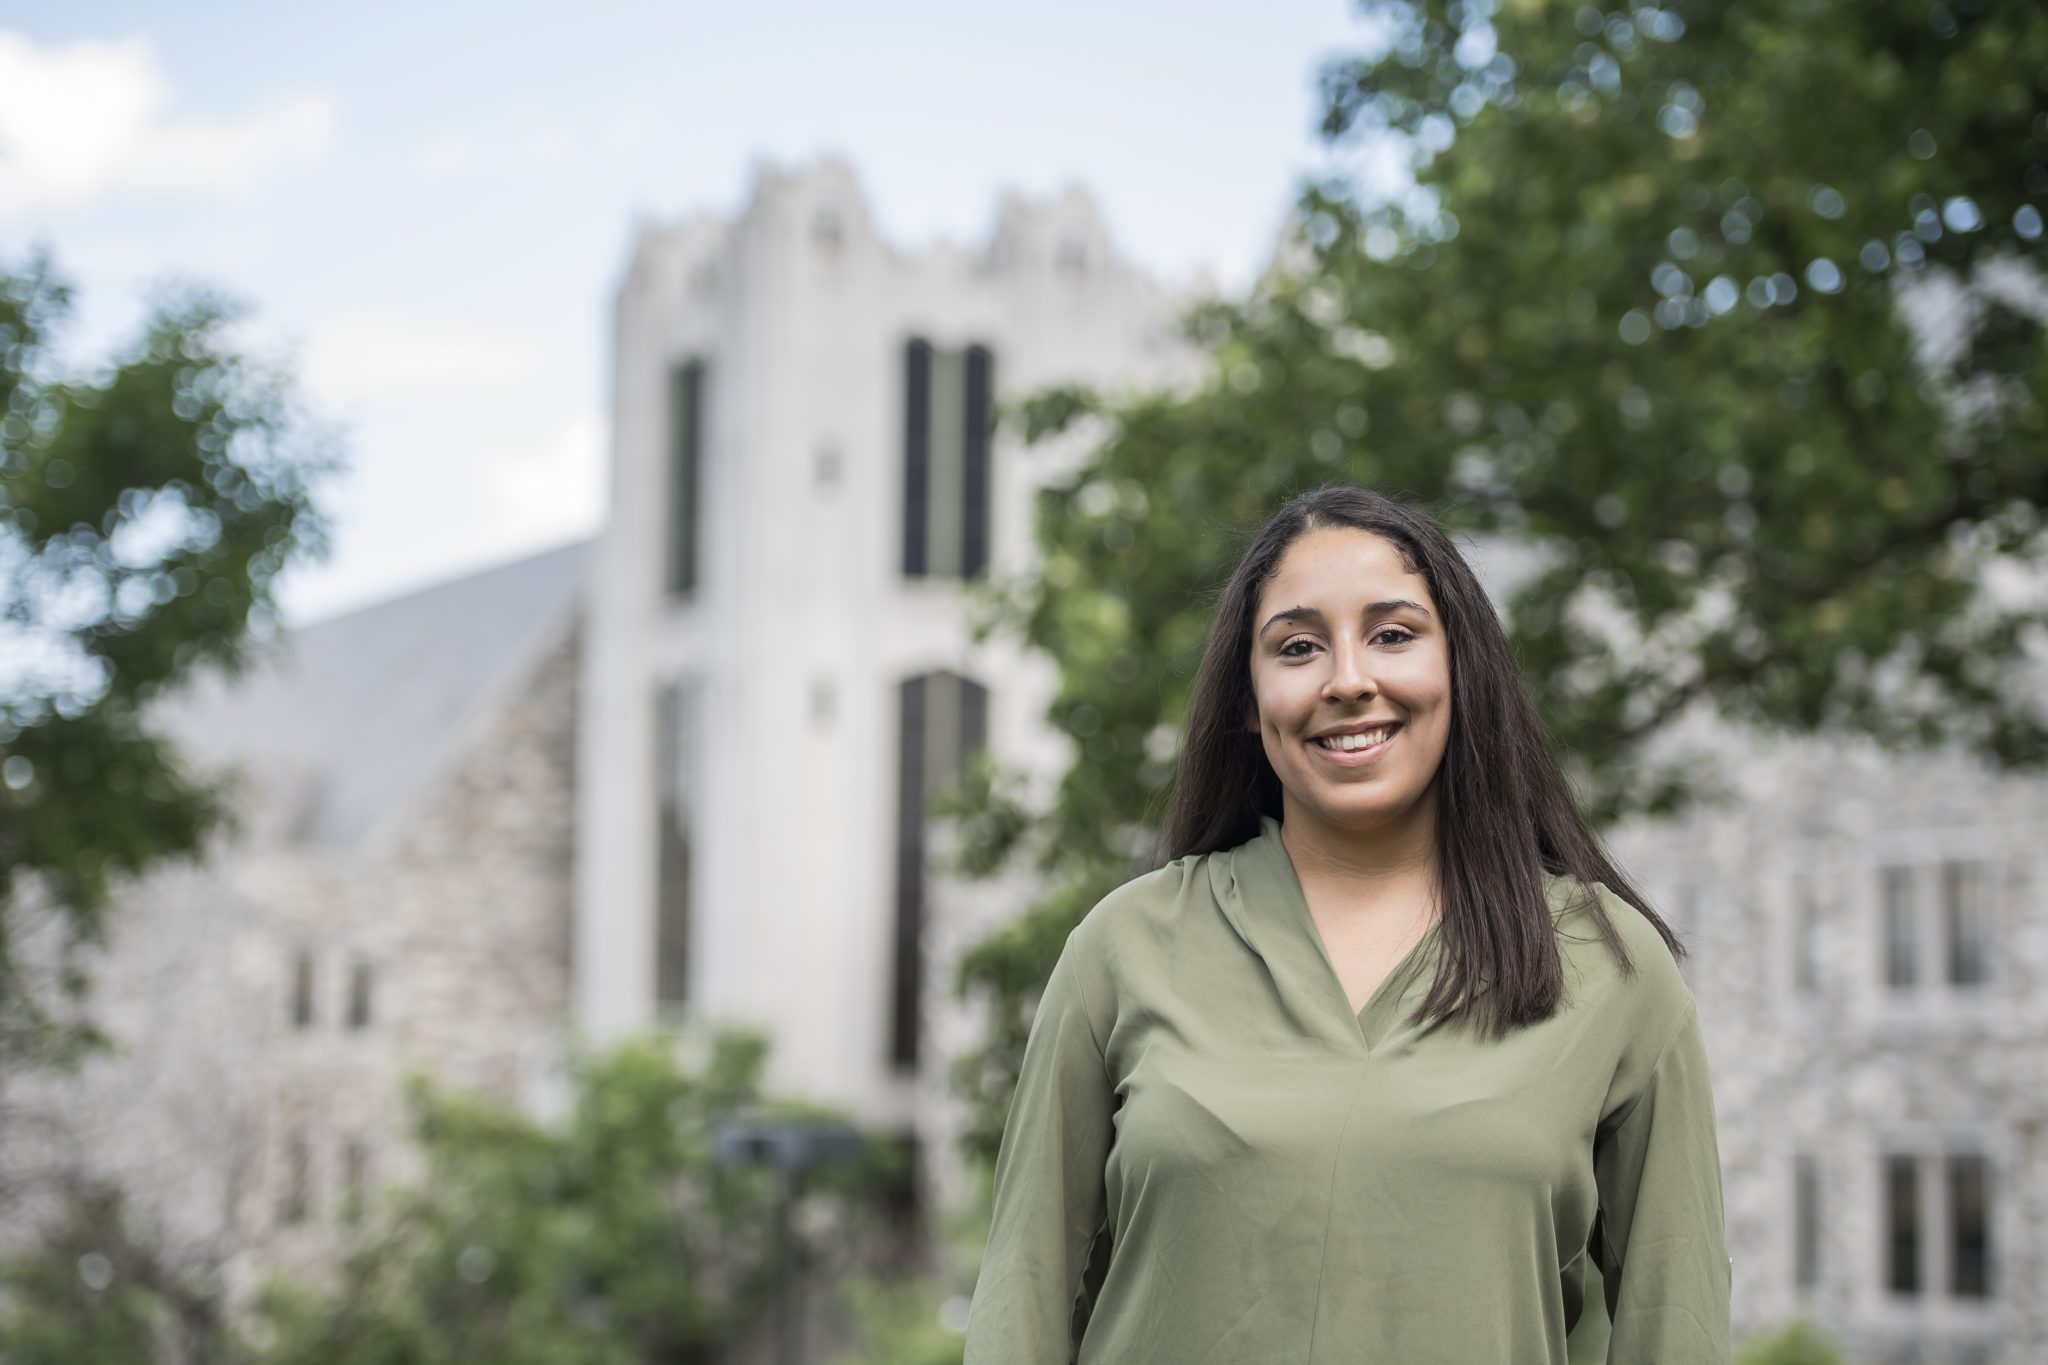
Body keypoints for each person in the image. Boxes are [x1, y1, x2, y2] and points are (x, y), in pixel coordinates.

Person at [961, 486, 1732, 1363]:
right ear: (1249, 700)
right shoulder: (1123, 947)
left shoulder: (1610, 965)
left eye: (1394, 634)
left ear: (1462, 668)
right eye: (1297, 646)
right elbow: (1021, 1297)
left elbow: (1680, 1324)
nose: (1349, 679)